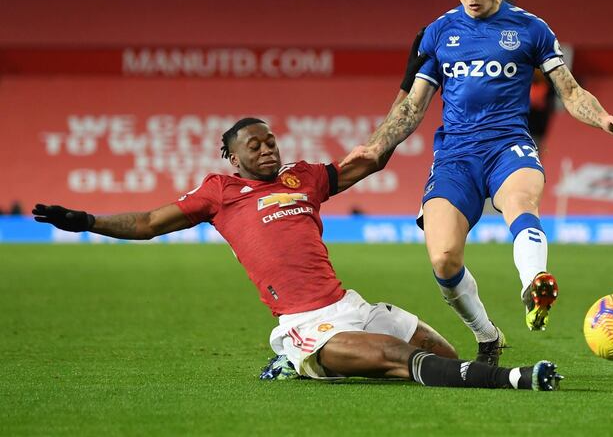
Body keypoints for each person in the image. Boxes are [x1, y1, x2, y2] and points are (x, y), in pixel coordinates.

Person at [32, 118, 562, 391]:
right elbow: (149, 224)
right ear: (232, 156)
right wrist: (86, 222)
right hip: (305, 321)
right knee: (396, 358)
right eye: (255, 146)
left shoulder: (302, 179)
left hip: (349, 304)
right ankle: (516, 379)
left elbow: (367, 162)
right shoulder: (218, 192)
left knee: (444, 361)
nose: (267, 149)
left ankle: (300, 367)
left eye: (271, 141)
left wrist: (407, 114)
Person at [345, 0, 613, 365]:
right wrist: (375, 145)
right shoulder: (439, 33)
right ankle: (487, 337)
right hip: (456, 157)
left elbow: (571, 92)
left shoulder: (530, 29)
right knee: (444, 259)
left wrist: (604, 119)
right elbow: (412, 106)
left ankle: (533, 282)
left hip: (509, 146)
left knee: (521, 200)